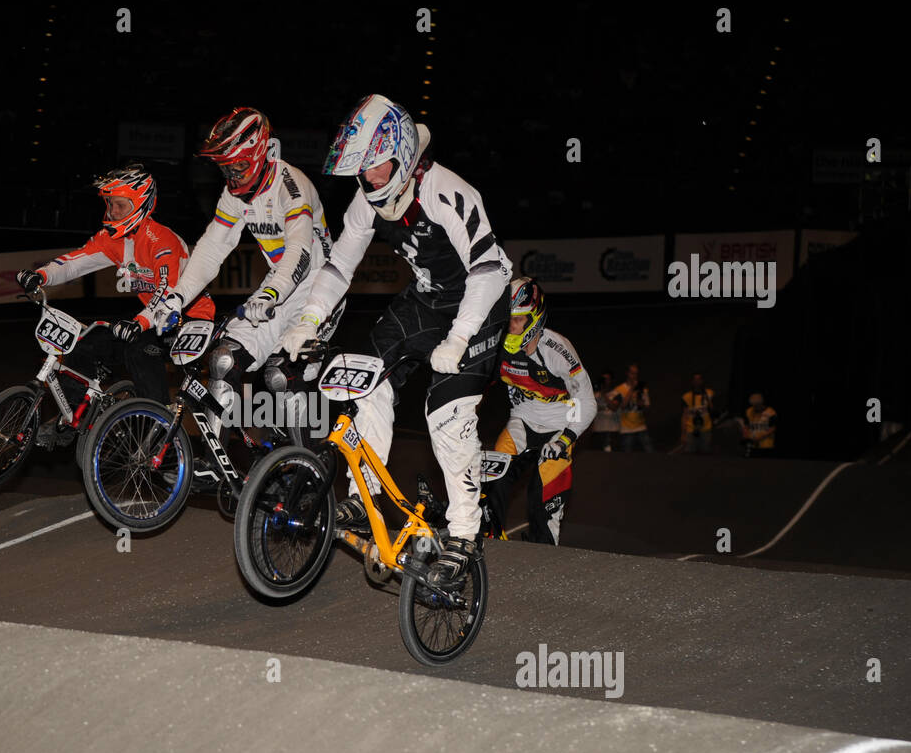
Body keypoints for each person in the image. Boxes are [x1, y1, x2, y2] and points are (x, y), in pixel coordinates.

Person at [281, 94, 512, 588]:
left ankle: (466, 536)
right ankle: (363, 497)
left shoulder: (447, 192)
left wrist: (460, 337)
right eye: (362, 173)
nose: (371, 181)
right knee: (364, 380)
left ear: (405, 154)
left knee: (446, 417)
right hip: (427, 301)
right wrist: (308, 320)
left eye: (378, 169)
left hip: (481, 306)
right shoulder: (367, 200)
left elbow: (490, 270)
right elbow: (340, 264)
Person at [150, 108, 333, 448]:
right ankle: (213, 458)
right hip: (280, 286)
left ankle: (303, 470)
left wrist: (270, 295)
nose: (232, 178)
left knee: (281, 375)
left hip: (321, 289)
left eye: (238, 167)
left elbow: (300, 252)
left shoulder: (291, 186)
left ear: (260, 153)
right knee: (224, 359)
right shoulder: (234, 195)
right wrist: (176, 297)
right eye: (225, 169)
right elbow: (211, 249)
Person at [16, 163, 214, 445]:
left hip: (189, 319)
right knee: (84, 343)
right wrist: (41, 275)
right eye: (110, 205)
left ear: (141, 204)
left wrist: (140, 323)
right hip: (151, 318)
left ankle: (160, 437)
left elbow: (166, 293)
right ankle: (72, 418)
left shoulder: (162, 241)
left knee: (140, 350)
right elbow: (74, 264)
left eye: (120, 205)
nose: (112, 213)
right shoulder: (113, 240)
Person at [481, 278, 595, 545]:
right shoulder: (497, 347)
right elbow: (477, 384)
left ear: (535, 318)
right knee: (492, 475)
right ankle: (490, 541)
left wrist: (566, 438)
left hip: (560, 426)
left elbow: (587, 401)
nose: (512, 325)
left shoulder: (557, 349)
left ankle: (544, 549)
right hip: (523, 419)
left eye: (519, 319)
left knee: (543, 497)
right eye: (509, 318)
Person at [608, 363, 652, 452]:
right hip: (626, 429)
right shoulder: (619, 389)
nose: (634, 376)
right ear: (627, 373)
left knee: (649, 452)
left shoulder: (642, 389)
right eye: (632, 373)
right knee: (627, 456)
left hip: (641, 427)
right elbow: (622, 406)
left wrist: (642, 404)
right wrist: (632, 388)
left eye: (636, 374)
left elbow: (647, 406)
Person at [680, 373, 714, 454]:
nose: (697, 382)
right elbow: (684, 415)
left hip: (706, 428)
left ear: (702, 381)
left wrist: (706, 397)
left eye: (699, 379)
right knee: (689, 453)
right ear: (692, 381)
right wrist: (683, 434)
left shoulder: (709, 393)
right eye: (695, 379)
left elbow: (713, 410)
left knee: (705, 453)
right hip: (691, 429)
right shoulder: (686, 396)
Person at [738, 392, 777, 456]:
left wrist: (760, 437)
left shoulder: (770, 412)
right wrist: (746, 434)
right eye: (753, 405)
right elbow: (746, 425)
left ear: (761, 403)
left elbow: (773, 428)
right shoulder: (749, 411)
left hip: (765, 445)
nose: (755, 408)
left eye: (757, 405)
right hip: (752, 445)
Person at [591, 370, 620, 451]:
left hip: (612, 431)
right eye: (603, 379)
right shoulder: (594, 395)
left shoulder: (616, 394)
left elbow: (614, 407)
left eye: (607, 379)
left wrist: (603, 394)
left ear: (611, 380)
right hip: (597, 430)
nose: (605, 381)